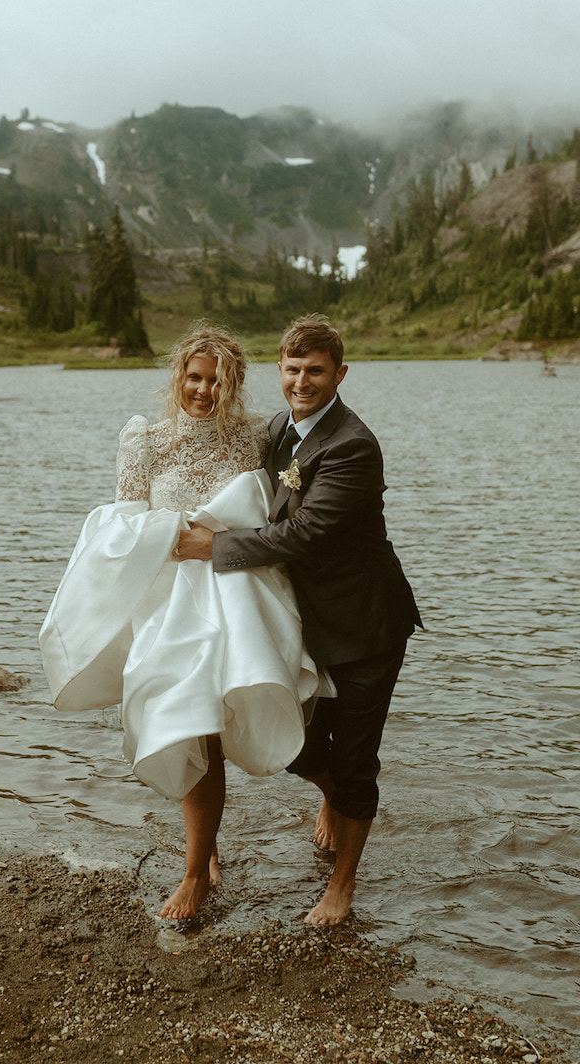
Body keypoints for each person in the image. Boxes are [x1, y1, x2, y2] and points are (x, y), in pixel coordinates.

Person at [39, 321, 326, 921]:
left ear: (236, 384)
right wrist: (172, 531)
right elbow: (121, 527)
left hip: (242, 594)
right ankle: (200, 865)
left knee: (262, 707)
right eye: (194, 378)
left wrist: (220, 532)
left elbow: (276, 517)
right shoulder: (145, 441)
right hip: (172, 604)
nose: (204, 390)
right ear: (179, 378)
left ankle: (328, 795)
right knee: (190, 724)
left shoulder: (256, 438)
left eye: (217, 380)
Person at [177, 315, 421, 926]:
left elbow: (306, 532)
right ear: (280, 372)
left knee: (357, 754)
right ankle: (331, 795)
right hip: (304, 624)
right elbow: (241, 482)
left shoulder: (352, 445)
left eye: (315, 371)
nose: (302, 381)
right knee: (295, 739)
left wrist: (216, 548)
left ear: (340, 374)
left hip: (364, 628)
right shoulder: (279, 430)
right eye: (292, 369)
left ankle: (342, 886)